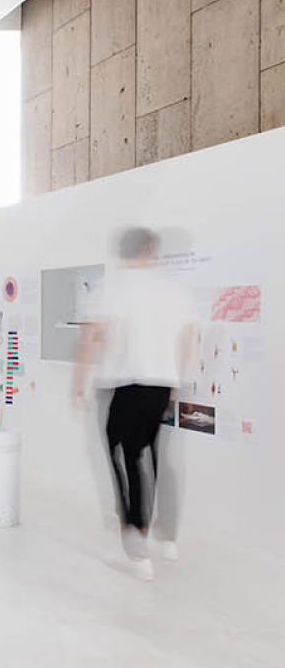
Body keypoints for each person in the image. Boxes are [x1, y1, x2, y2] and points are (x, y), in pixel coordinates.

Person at [72, 227, 196, 581]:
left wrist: (78, 383)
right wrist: (175, 381)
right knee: (148, 453)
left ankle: (136, 541)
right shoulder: (173, 290)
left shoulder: (110, 288)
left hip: (125, 384)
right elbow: (187, 337)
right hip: (161, 385)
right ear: (149, 251)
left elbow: (90, 337)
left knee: (121, 454)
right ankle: (163, 538)